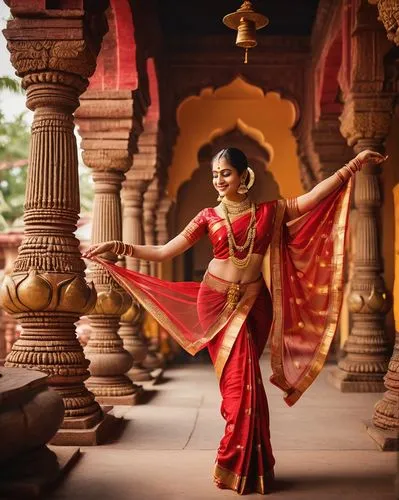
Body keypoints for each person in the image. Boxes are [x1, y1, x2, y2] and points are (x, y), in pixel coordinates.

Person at [83, 147, 386, 495]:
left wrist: (353, 165)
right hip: (213, 302)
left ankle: (251, 467)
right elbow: (166, 251)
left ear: (244, 176)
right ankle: (232, 462)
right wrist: (119, 246)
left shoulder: (271, 212)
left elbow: (315, 197)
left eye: (225, 173)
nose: (219, 179)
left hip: (255, 303)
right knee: (239, 385)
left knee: (250, 386)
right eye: (215, 174)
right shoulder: (208, 216)